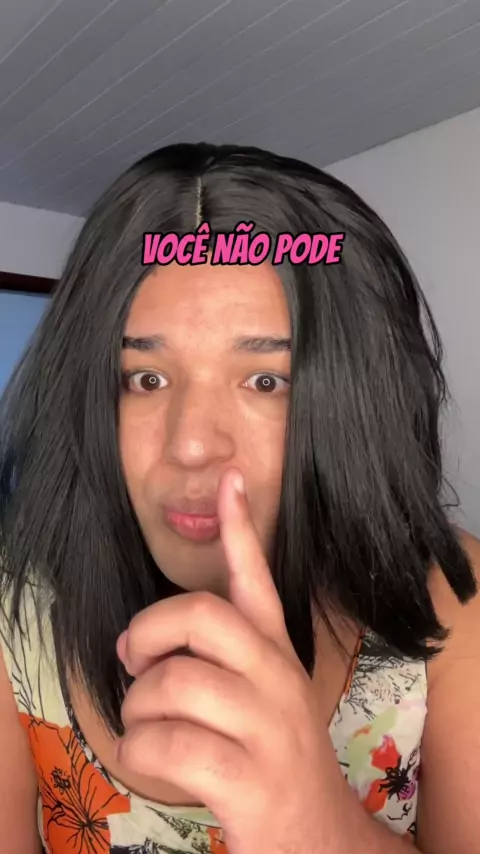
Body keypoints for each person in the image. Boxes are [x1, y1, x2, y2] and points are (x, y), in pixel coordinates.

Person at [0, 142, 478, 854]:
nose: (192, 445)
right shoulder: (14, 608)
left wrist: (318, 826)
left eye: (265, 381)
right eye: (146, 379)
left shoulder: (454, 597)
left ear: (356, 400)